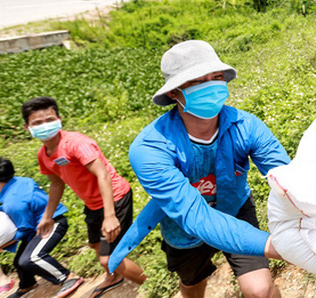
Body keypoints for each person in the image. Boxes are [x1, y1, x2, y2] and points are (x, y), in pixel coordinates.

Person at [108, 40, 290, 298]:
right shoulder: (150, 148)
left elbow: (288, 179)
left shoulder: (246, 126)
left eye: (216, 77)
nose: (212, 86)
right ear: (174, 93)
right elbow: (196, 217)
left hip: (235, 208)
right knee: (193, 286)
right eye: (197, 80)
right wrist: (271, 245)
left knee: (261, 290)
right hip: (183, 228)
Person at [21, 97, 146, 298]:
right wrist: (47, 216)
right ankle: (113, 278)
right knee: (95, 245)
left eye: (49, 119)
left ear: (59, 119)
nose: (44, 126)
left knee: (109, 258)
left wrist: (110, 216)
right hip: (92, 203)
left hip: (115, 197)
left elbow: (102, 174)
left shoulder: (76, 144)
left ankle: (154, 286)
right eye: (37, 123)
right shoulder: (43, 154)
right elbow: (56, 183)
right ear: (27, 128)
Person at [0, 158, 83, 298]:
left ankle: (68, 277)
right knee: (19, 262)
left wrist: (4, 244)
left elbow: (24, 230)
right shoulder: (19, 181)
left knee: (31, 258)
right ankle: (27, 285)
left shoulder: (13, 202)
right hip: (39, 224)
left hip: (52, 224)